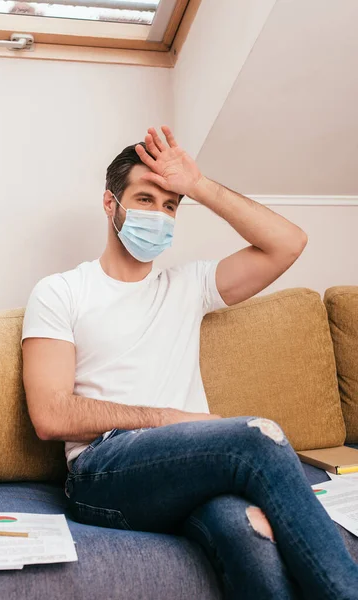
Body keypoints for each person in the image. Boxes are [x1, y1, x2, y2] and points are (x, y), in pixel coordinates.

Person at [21, 125, 358, 599]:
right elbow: (50, 414)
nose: (158, 215)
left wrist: (197, 185)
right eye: (144, 200)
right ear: (109, 204)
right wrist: (168, 419)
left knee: (247, 534)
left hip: (186, 471)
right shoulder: (61, 292)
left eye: (170, 205)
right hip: (103, 472)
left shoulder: (188, 286)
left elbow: (288, 242)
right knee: (258, 437)